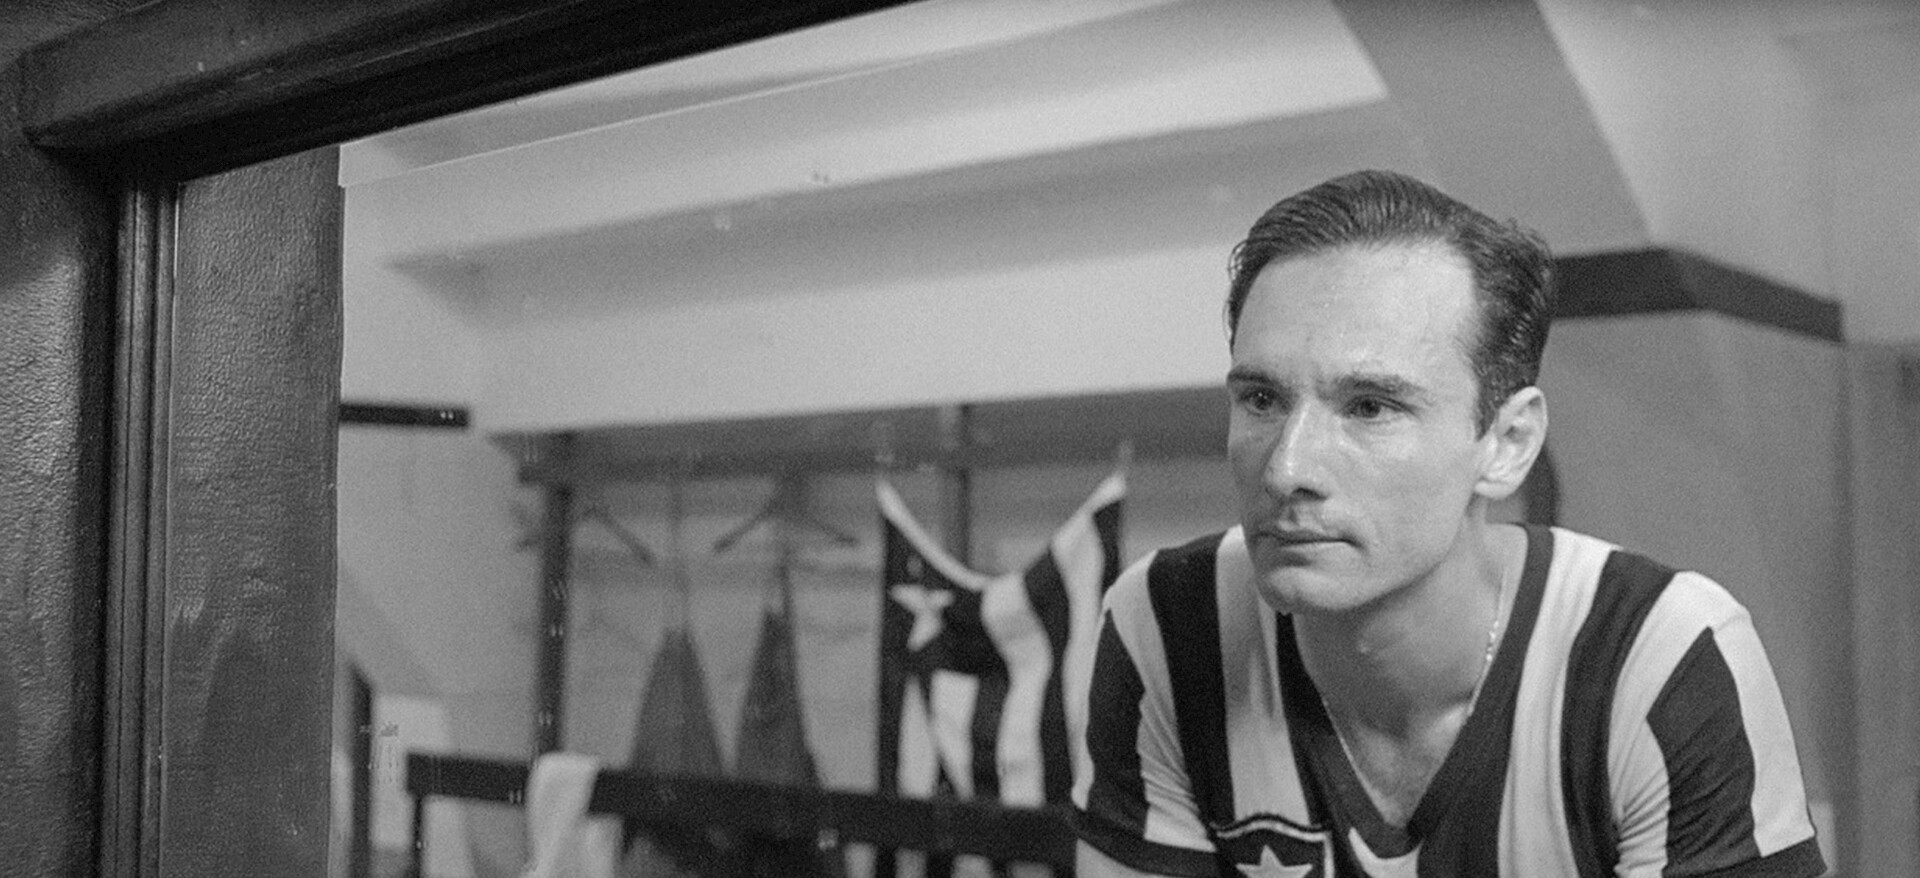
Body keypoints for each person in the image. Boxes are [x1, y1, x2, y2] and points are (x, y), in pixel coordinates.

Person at [1068, 170, 1824, 877]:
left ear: (1507, 443)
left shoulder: (1658, 659)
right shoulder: (1167, 626)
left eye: (1370, 407)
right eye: (1262, 399)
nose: (1286, 468)